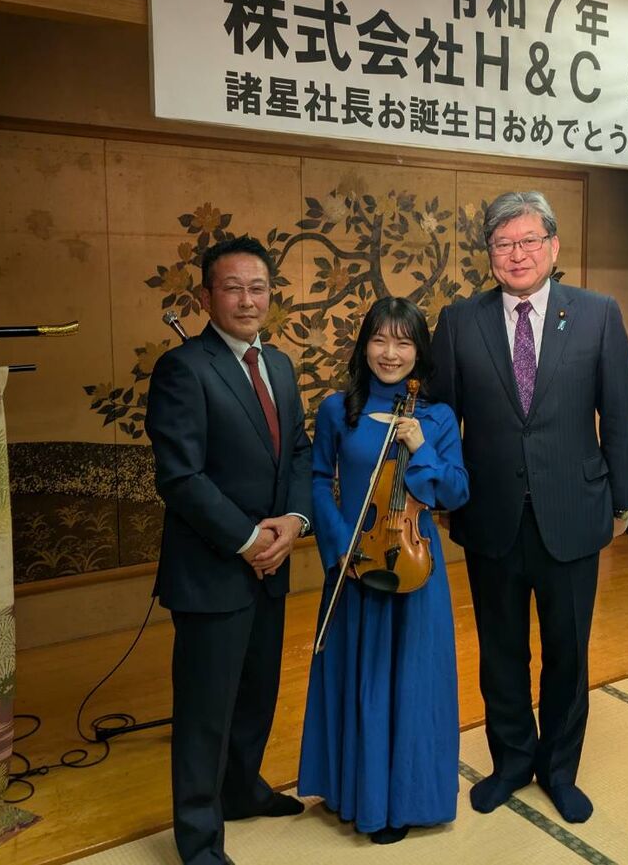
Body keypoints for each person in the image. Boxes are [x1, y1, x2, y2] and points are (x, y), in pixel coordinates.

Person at [431, 191, 628, 825]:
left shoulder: (598, 314)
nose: (517, 254)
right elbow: (442, 420)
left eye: (528, 241)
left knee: (567, 654)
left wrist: (624, 500)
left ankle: (559, 770)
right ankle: (511, 762)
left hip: (573, 511)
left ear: (553, 247)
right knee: (501, 652)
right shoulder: (459, 321)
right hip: (489, 514)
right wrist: (441, 494)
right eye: (503, 243)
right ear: (489, 253)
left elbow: (621, 413)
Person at [146, 235, 313, 865]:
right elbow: (180, 477)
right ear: (206, 296)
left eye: (258, 288)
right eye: (233, 288)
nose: (247, 300)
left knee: (256, 695)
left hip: (272, 565)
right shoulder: (184, 368)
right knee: (204, 712)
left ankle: (242, 791)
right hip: (213, 571)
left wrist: (294, 521)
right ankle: (198, 841)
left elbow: (299, 453)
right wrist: (247, 541)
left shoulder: (281, 366)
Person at [297, 297, 469, 845]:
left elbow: (455, 492)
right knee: (360, 680)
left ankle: (406, 801)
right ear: (364, 345)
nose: (390, 353)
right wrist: (339, 548)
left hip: (414, 567)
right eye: (379, 339)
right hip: (353, 563)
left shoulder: (436, 418)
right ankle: (357, 794)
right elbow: (318, 480)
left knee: (413, 684)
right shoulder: (338, 410)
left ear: (419, 352)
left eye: (403, 342)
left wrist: (422, 449)